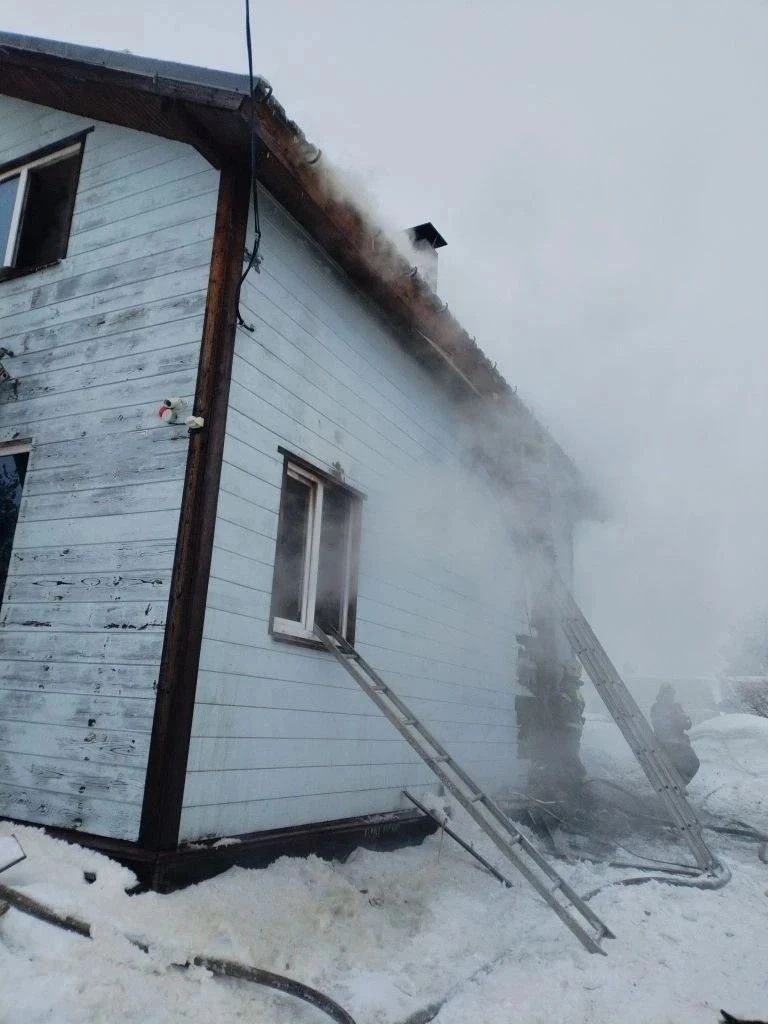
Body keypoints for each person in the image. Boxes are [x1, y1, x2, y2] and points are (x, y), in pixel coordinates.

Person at [650, 684, 700, 787]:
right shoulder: (656, 707)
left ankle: (682, 783)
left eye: (672, 694)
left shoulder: (677, 706)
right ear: (662, 694)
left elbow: (688, 724)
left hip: (680, 742)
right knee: (679, 764)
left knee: (695, 763)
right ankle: (675, 782)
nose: (670, 697)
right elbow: (659, 725)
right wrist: (675, 721)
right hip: (666, 741)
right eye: (668, 694)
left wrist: (685, 720)